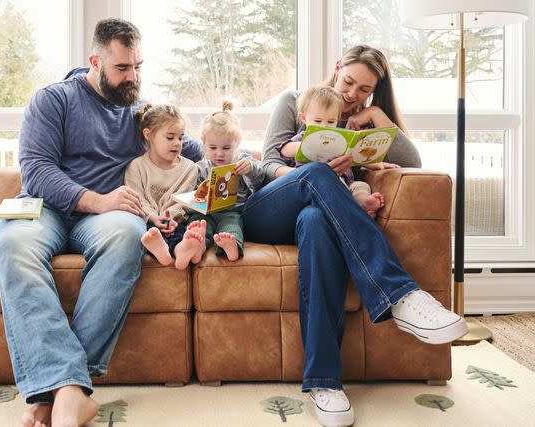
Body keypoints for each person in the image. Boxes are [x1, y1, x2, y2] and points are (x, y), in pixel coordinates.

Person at [242, 45, 468, 427]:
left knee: (315, 222)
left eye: (364, 90)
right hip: (268, 209)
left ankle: (324, 384)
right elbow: (267, 165)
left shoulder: (363, 119)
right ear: (336, 68)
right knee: (316, 176)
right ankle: (400, 294)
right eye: (348, 81)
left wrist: (377, 116)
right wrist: (316, 172)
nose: (352, 93)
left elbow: (413, 162)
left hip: (319, 217)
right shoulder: (296, 101)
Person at [0, 19, 198, 427]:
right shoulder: (53, 100)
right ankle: (72, 389)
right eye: (122, 68)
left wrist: (249, 162)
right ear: (95, 61)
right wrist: (97, 200)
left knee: (128, 233)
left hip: (107, 219)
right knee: (13, 245)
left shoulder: (141, 112)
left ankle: (59, 393)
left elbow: (191, 145)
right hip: (46, 207)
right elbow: (35, 169)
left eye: (138, 66)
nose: (132, 77)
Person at [279, 84, 398, 217]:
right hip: (317, 185)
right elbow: (284, 149)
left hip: (347, 182)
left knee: (361, 186)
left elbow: (354, 156)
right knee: (335, 186)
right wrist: (306, 145)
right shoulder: (304, 137)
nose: (324, 126)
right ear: (303, 118)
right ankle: (351, 209)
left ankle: (362, 202)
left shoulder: (340, 138)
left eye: (331, 121)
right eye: (318, 121)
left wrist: (376, 164)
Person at [124, 103, 206, 270]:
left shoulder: (190, 168)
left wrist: (170, 219)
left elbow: (184, 202)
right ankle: (160, 248)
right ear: (149, 135)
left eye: (181, 137)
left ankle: (181, 249)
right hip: (148, 221)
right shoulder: (136, 166)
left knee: (188, 230)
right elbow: (137, 199)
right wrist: (154, 218)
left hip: (176, 222)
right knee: (143, 233)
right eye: (170, 137)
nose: (177, 143)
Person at [185, 100, 264, 261]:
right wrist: (197, 198)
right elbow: (190, 195)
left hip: (232, 212)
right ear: (204, 143)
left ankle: (231, 245)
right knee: (197, 224)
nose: (219, 154)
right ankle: (197, 246)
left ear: (238, 143)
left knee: (232, 226)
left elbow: (260, 177)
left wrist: (249, 168)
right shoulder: (199, 167)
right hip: (205, 213)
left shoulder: (242, 162)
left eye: (226, 148)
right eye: (213, 148)